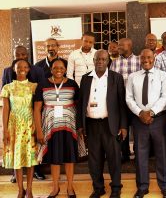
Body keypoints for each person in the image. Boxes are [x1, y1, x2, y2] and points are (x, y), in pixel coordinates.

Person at [76, 50, 128, 198]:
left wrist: (123, 126)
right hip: (91, 126)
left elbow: (121, 104)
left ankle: (116, 187)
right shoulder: (85, 79)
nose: (100, 61)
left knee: (114, 159)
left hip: (110, 125)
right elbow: (81, 104)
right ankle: (98, 188)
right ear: (93, 60)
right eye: (97, 59)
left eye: (103, 59)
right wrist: (80, 125)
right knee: (94, 159)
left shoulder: (115, 78)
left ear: (108, 62)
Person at [125, 49, 166, 198]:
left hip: (158, 119)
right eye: (143, 57)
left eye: (149, 57)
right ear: (140, 59)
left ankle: (165, 186)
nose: (146, 60)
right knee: (140, 154)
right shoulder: (133, 77)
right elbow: (129, 98)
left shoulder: (163, 76)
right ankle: (142, 187)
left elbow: (165, 97)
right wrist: (140, 113)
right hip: (139, 120)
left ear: (154, 59)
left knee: (162, 153)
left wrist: (151, 113)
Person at [33, 59, 79, 198]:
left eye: (61, 67)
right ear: (51, 69)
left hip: (69, 126)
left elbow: (79, 105)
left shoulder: (72, 84)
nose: (58, 70)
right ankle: (55, 188)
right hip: (50, 127)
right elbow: (37, 109)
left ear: (65, 69)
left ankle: (70, 187)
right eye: (55, 68)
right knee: (54, 158)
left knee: (70, 157)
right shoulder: (43, 84)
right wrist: (39, 131)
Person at [2, 45, 46, 183]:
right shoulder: (7, 72)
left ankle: (36, 172)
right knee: (16, 149)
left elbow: (39, 100)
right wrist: (4, 128)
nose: (20, 57)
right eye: (17, 55)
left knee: (31, 150)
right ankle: (17, 176)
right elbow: (6, 104)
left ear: (27, 55)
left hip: (30, 118)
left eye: (23, 54)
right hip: (14, 121)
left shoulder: (37, 72)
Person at [2, 59, 38, 198]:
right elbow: (5, 110)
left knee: (30, 158)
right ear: (13, 69)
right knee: (17, 158)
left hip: (29, 125)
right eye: (19, 67)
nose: (22, 69)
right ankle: (20, 189)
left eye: (25, 67)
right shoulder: (7, 88)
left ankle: (29, 189)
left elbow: (37, 108)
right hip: (14, 126)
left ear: (28, 69)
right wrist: (4, 130)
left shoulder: (34, 87)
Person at [110, 37, 141, 162]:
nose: (119, 48)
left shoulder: (139, 60)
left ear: (130, 45)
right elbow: (111, 82)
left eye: (122, 45)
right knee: (122, 127)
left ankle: (139, 152)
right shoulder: (114, 62)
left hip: (136, 101)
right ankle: (124, 153)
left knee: (137, 128)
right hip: (120, 101)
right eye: (119, 46)